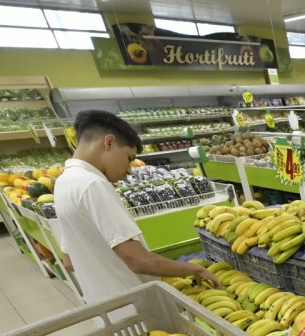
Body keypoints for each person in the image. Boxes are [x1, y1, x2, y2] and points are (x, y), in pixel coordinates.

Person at [55, 110, 219, 303]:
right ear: (109, 142)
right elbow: (138, 260)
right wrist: (194, 269)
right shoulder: (92, 185)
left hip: (102, 305)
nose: (129, 170)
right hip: (134, 306)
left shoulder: (64, 182)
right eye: (129, 158)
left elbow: (69, 261)